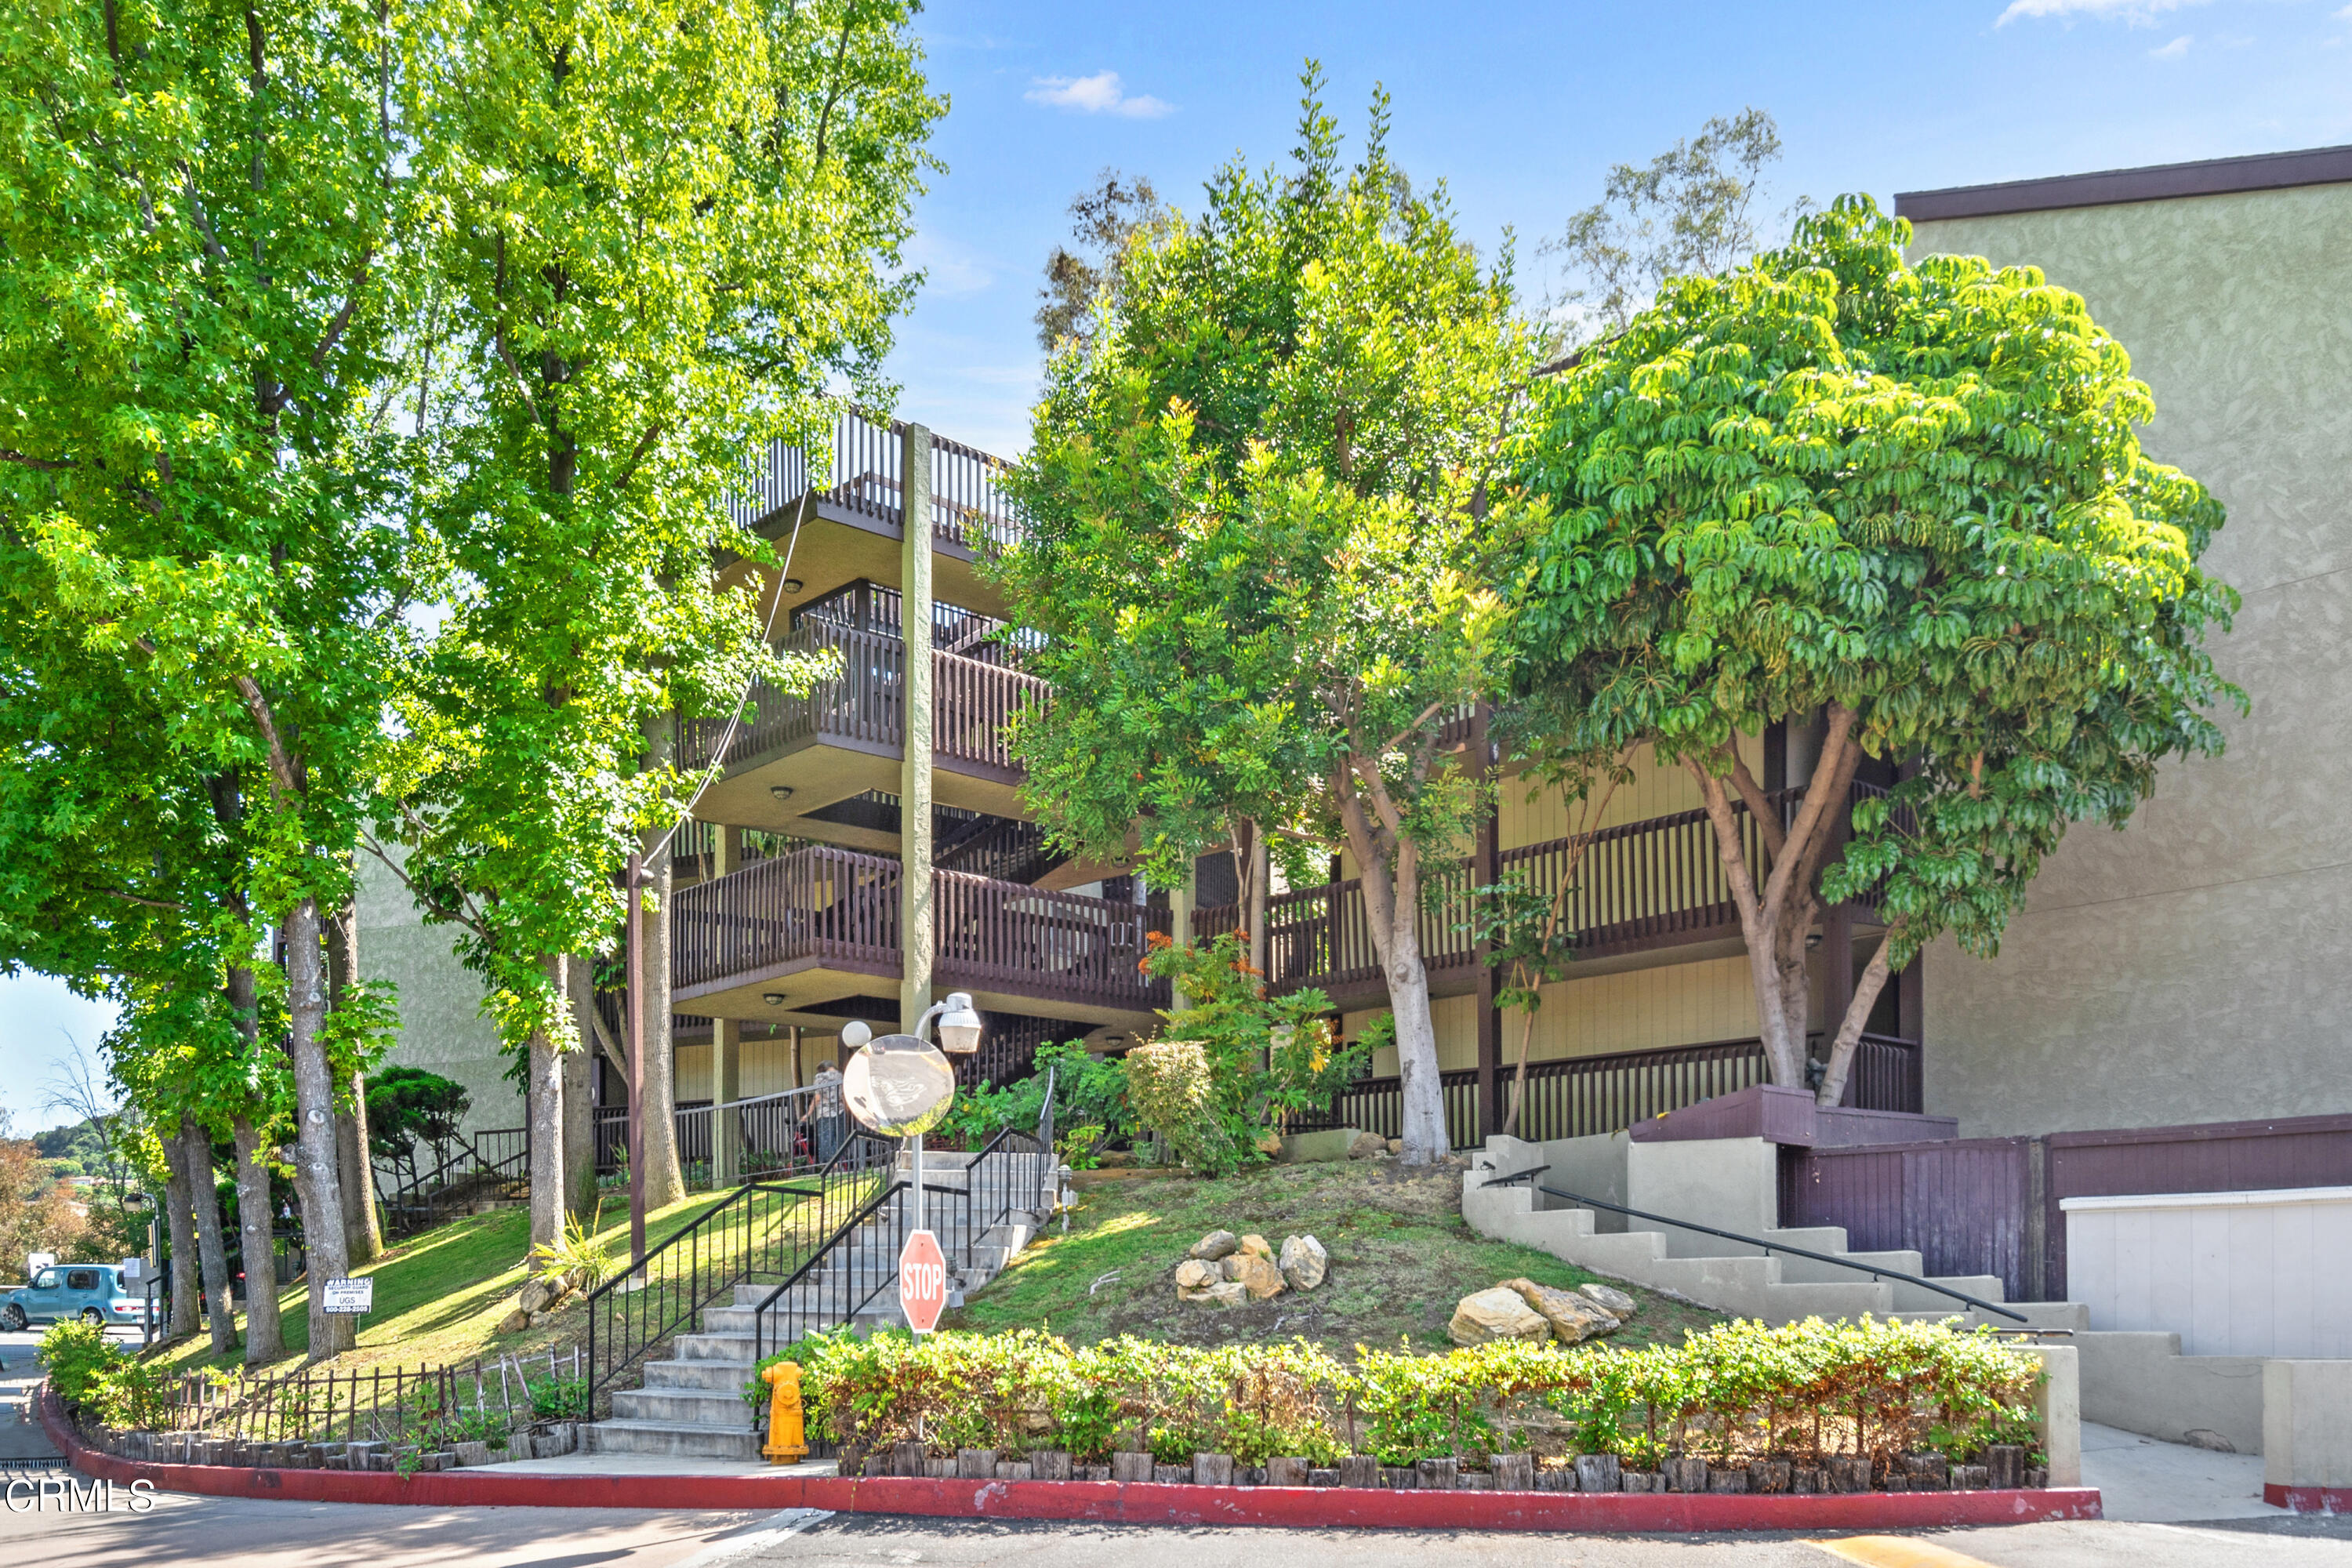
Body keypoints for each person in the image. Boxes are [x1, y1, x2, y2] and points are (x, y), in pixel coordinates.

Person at [811, 1059, 848, 1163]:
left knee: (826, 1140)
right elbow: (843, 1095)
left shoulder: (820, 1078)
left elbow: (818, 1097)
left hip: (825, 1112)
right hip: (840, 1111)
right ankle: (840, 1162)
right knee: (839, 1139)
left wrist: (808, 1113)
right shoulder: (840, 1076)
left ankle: (830, 1164)